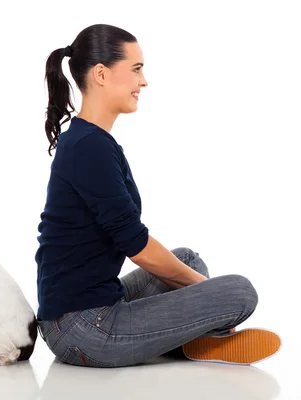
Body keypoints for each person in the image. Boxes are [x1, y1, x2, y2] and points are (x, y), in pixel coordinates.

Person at [34, 24, 281, 368]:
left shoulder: (89, 140)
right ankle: (195, 340)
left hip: (82, 313)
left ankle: (188, 340)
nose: (144, 81)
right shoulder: (90, 147)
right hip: (84, 330)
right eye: (136, 69)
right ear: (102, 74)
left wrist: (199, 288)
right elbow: (136, 246)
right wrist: (205, 293)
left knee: (188, 258)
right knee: (239, 291)